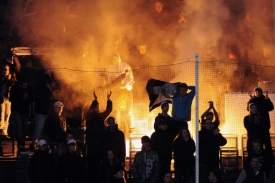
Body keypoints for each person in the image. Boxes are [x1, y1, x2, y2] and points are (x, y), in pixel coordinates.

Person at [85, 91, 112, 182]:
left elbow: (108, 110)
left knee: (95, 163)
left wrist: (108, 100)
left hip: (97, 144)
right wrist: (96, 100)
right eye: (97, 107)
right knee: (92, 163)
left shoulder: (95, 116)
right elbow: (108, 110)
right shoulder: (90, 116)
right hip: (94, 144)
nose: (98, 108)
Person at [30, 69, 55, 151]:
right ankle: (35, 146)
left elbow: (55, 95)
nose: (48, 73)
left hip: (49, 111)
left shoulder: (52, 83)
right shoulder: (40, 84)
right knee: (38, 130)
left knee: (48, 131)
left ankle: (46, 147)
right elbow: (39, 95)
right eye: (46, 72)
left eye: (49, 71)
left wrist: (51, 88)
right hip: (41, 111)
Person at [247, 87, 274, 164]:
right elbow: (248, 108)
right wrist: (251, 99)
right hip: (257, 129)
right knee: (259, 147)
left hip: (265, 128)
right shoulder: (253, 100)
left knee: (268, 146)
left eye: (259, 92)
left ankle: (270, 162)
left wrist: (267, 99)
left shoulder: (264, 100)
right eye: (256, 92)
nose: (257, 93)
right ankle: (259, 162)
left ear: (261, 92)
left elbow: (271, 107)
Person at [10, 75, 34, 152]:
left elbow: (32, 99)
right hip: (17, 111)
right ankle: (20, 145)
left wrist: (27, 98)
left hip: (25, 111)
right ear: (20, 84)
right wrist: (22, 98)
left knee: (24, 127)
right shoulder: (14, 89)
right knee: (19, 126)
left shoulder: (29, 89)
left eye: (26, 84)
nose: (25, 86)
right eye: (23, 85)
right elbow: (12, 99)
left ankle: (22, 144)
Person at [199, 119, 227, 183]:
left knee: (215, 179)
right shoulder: (200, 134)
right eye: (207, 123)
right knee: (205, 179)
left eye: (210, 123)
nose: (209, 125)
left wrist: (218, 135)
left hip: (214, 161)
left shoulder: (215, 133)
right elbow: (203, 141)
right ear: (204, 125)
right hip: (204, 162)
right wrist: (213, 134)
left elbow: (223, 142)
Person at [0, 64, 16, 136]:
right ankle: (1, 130)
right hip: (1, 97)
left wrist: (12, 79)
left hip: (8, 98)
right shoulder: (1, 77)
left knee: (7, 114)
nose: (6, 71)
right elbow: (1, 85)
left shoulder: (10, 78)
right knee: (1, 114)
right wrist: (6, 79)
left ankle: (5, 131)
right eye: (5, 69)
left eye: (7, 69)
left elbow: (12, 85)